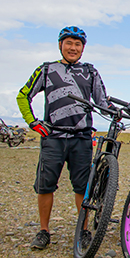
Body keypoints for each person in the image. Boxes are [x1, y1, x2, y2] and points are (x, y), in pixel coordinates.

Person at [16, 26, 112, 250]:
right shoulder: (47, 69)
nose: (73, 48)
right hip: (53, 138)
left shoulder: (90, 72)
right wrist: (33, 123)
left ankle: (84, 230)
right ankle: (43, 231)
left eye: (78, 44)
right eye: (69, 43)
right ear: (60, 45)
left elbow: (102, 102)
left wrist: (115, 114)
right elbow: (23, 95)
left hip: (81, 138)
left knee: (83, 187)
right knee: (45, 186)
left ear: (83, 48)